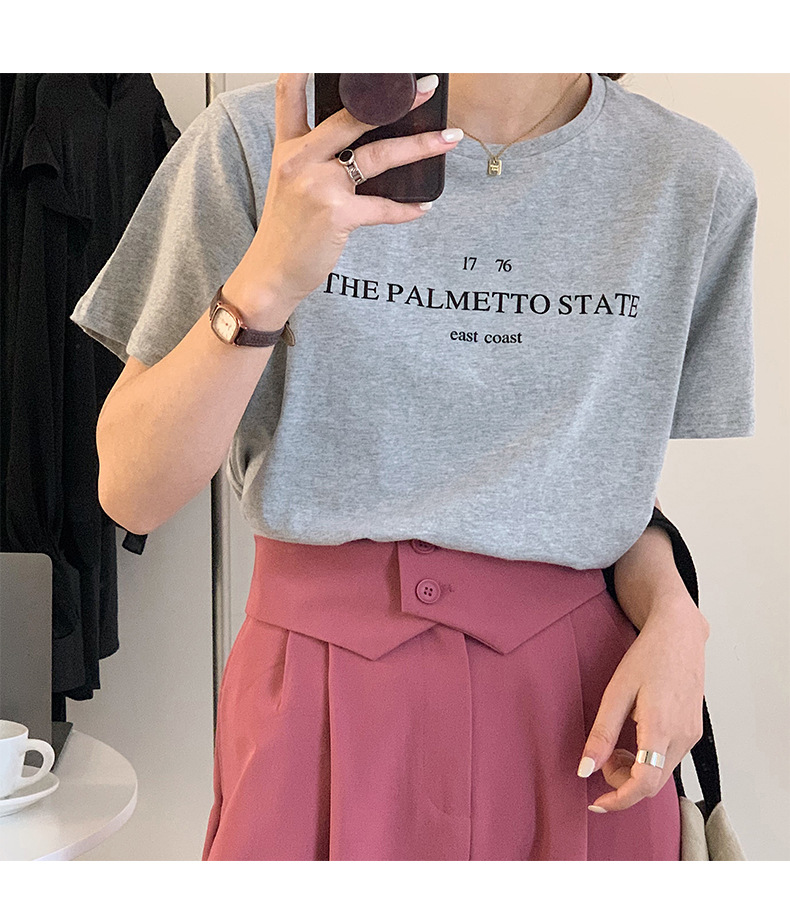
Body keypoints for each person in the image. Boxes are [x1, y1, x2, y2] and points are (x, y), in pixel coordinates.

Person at [70, 73, 757, 860]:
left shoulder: (691, 179)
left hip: (584, 714)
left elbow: (592, 471)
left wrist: (676, 614)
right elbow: (131, 490)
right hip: (318, 698)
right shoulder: (261, 143)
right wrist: (268, 279)